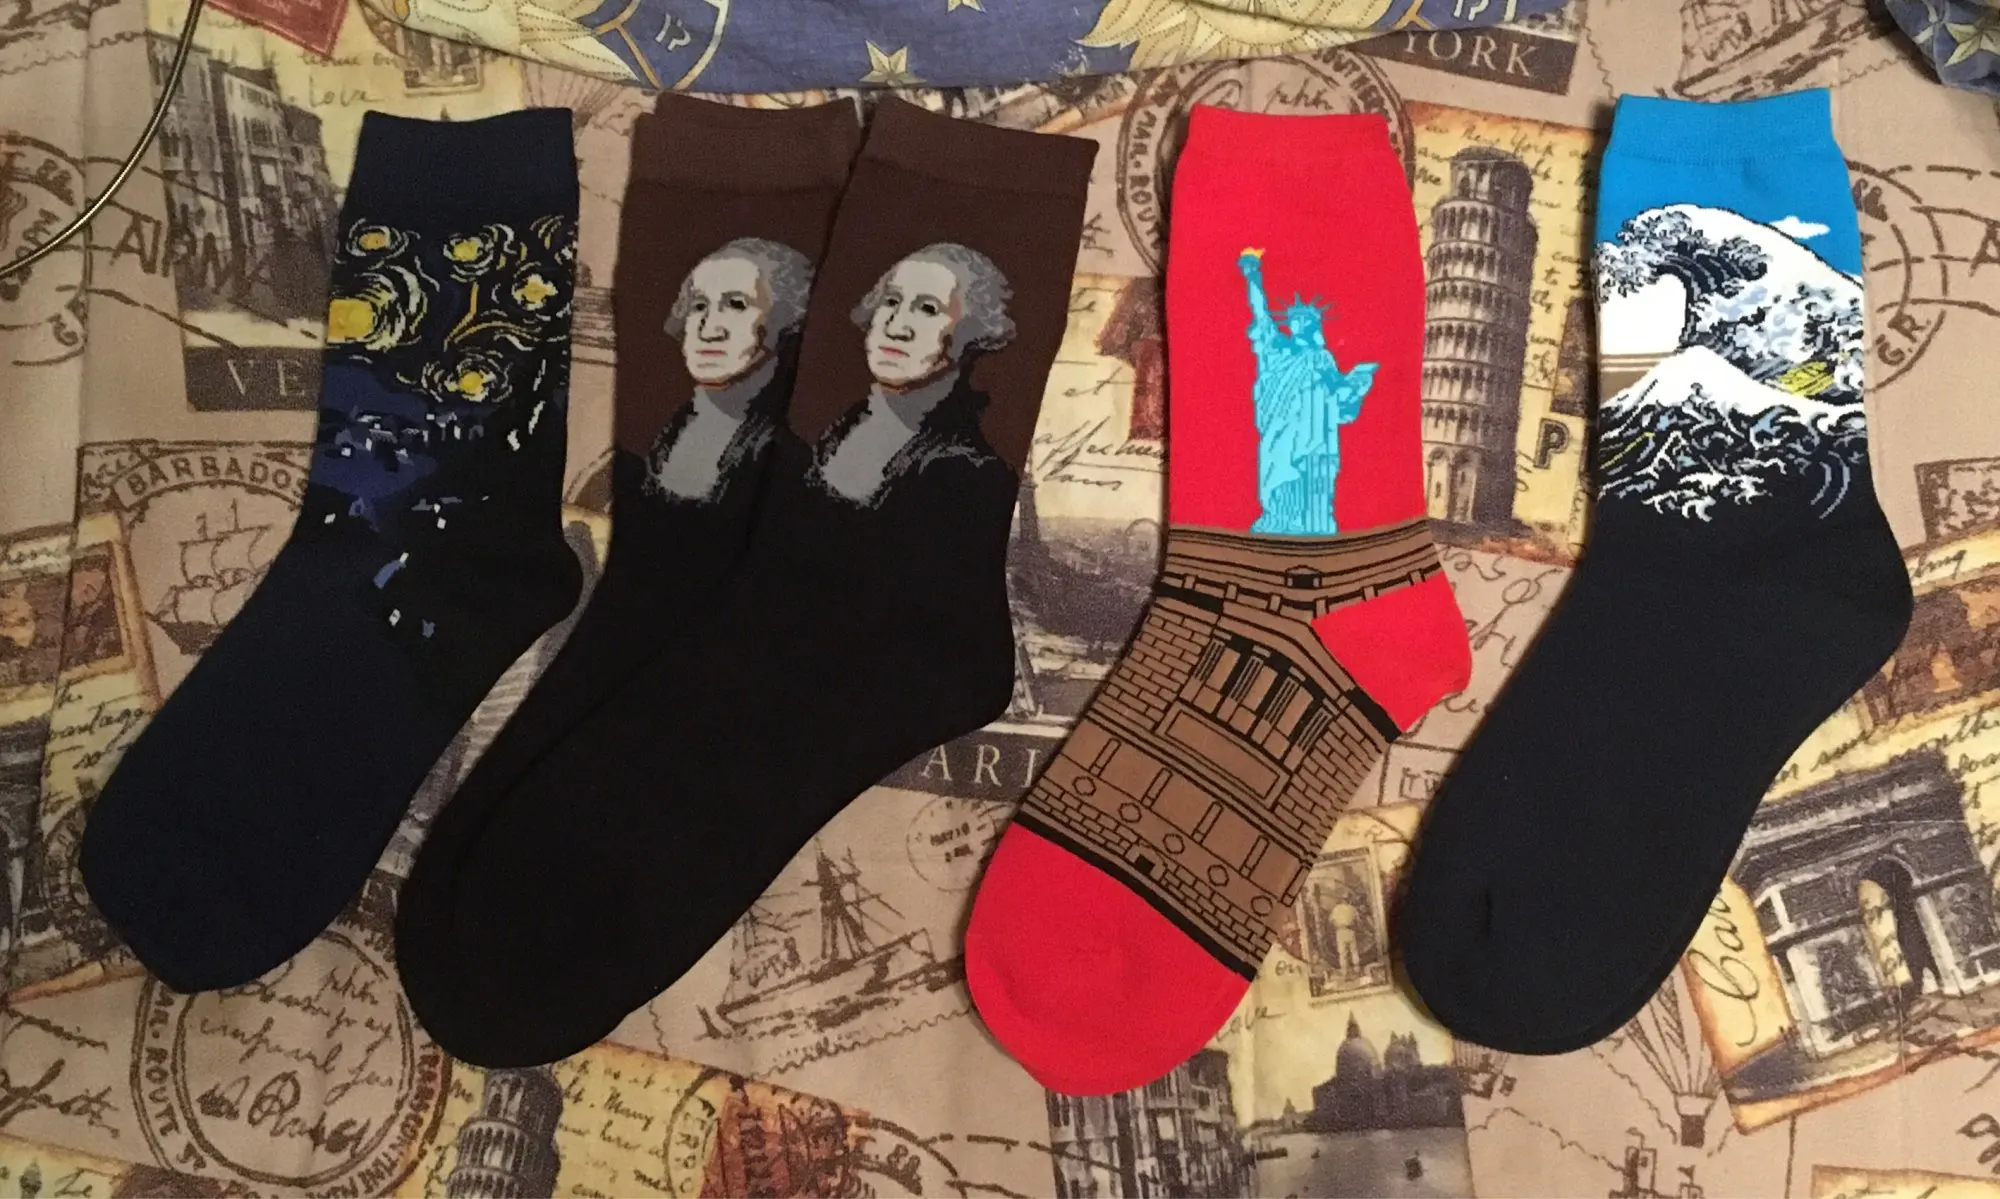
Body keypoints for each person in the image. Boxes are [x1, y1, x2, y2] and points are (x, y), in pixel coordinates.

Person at [813, 243, 1016, 509]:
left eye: (928, 309)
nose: (896, 328)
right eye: (891, 301)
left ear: (972, 332)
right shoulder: (841, 429)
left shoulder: (968, 470)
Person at [646, 238, 814, 505]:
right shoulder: (669, 436)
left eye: (736, 304)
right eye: (699, 305)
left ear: (785, 320)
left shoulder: (787, 465)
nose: (708, 330)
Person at [1239, 247, 1377, 536]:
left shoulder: (1322, 357)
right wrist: (1253, 277)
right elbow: (1261, 314)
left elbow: (1338, 392)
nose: (1299, 322)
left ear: (1314, 324)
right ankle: (1278, 522)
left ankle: (1314, 527)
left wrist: (1356, 382)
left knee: (1314, 478)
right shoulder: (1277, 349)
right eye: (1294, 318)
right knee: (1277, 474)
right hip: (1281, 426)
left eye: (1305, 319)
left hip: (1315, 431)